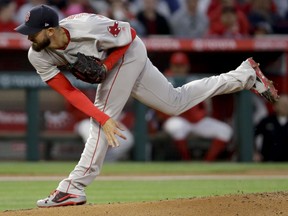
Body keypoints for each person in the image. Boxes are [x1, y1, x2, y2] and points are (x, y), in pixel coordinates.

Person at [15, 4, 279, 208]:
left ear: (50, 30)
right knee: (175, 103)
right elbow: (69, 91)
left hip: (128, 52)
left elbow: (130, 34)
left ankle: (73, 187)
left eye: (32, 33)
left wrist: (105, 69)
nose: (28, 38)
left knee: (102, 120)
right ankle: (244, 75)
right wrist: (102, 116)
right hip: (115, 63)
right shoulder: (37, 54)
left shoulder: (87, 26)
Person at [159, 52, 233, 161]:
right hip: (177, 119)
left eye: (181, 66)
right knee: (177, 128)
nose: (179, 69)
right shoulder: (164, 81)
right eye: (176, 66)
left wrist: (201, 114)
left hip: (197, 121)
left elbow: (206, 107)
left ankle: (206, 163)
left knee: (225, 130)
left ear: (187, 66)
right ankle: (187, 161)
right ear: (171, 66)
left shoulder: (194, 80)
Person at [254, 94, 288, 162]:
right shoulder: (266, 121)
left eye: (287, 104)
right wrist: (255, 152)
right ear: (275, 106)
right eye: (283, 104)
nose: (285, 106)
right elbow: (252, 136)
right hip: (268, 162)